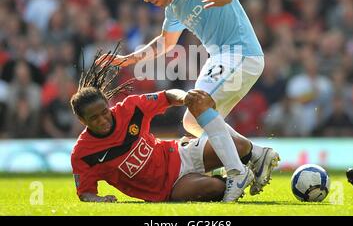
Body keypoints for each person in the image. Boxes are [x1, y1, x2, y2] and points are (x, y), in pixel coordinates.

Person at [97, 0, 280, 201]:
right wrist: (128, 60)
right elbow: (166, 42)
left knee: (196, 102)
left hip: (240, 53)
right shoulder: (173, 8)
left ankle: (237, 173)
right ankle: (255, 154)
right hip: (223, 57)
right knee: (192, 121)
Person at [71, 48, 254, 203]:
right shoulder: (83, 154)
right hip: (168, 188)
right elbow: (85, 193)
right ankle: (222, 175)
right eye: (94, 118)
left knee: (241, 146)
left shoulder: (130, 108)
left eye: (104, 112)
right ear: (82, 120)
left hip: (178, 154)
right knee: (215, 188)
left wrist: (185, 97)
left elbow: (167, 95)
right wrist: (100, 200)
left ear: (108, 104)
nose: (103, 120)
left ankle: (233, 169)